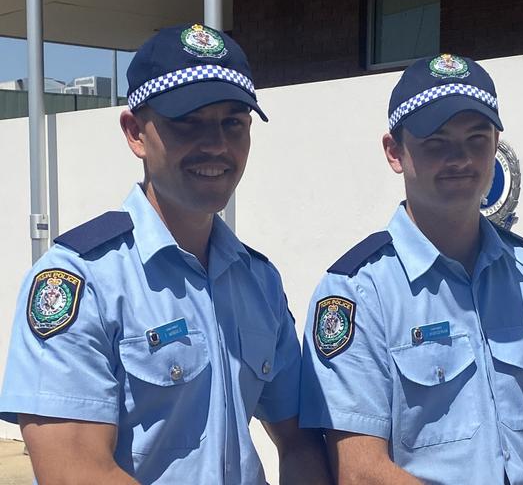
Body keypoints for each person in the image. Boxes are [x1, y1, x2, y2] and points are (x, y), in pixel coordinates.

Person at [0, 24, 331, 485]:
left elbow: (300, 440)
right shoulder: (80, 280)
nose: (216, 144)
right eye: (188, 121)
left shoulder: (258, 280)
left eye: (233, 122)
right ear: (135, 133)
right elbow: (74, 471)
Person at [299, 54, 523, 484]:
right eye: (437, 142)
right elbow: (360, 470)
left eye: (476, 139)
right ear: (394, 152)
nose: (460, 158)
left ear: (496, 146)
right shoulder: (357, 292)